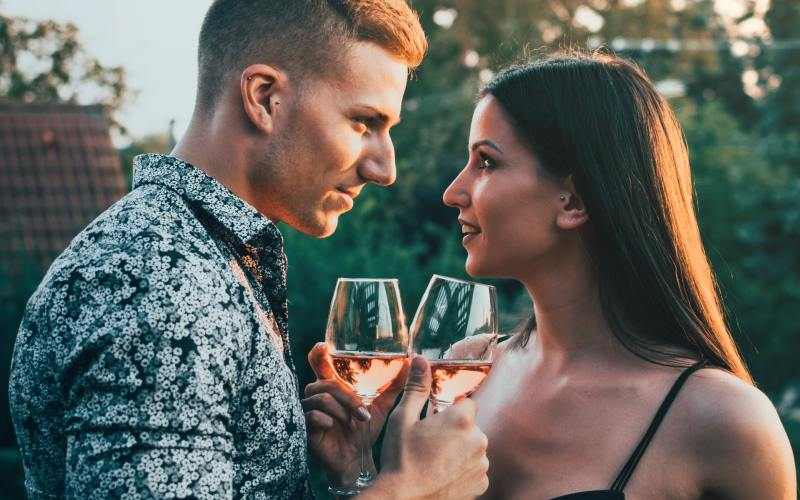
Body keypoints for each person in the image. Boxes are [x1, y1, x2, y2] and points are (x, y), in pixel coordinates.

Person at [8, 1, 489, 498]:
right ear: (263, 97)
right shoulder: (162, 284)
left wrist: (354, 478)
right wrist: (416, 491)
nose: (385, 169)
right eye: (364, 122)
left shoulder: (204, 255)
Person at [306, 50, 797, 499]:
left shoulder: (724, 422)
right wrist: (359, 475)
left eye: (487, 162)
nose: (453, 192)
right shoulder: (462, 375)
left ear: (574, 200)